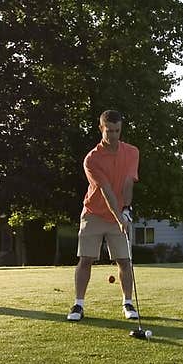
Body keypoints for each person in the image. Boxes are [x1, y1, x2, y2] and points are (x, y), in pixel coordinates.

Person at [67, 109, 140, 322]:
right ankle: (78, 305)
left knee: (124, 261)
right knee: (86, 259)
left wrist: (126, 210)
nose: (113, 136)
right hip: (94, 213)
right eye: (109, 131)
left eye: (117, 131)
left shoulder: (132, 152)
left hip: (119, 214)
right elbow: (106, 191)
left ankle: (127, 303)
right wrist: (119, 218)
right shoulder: (92, 159)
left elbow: (127, 182)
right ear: (101, 129)